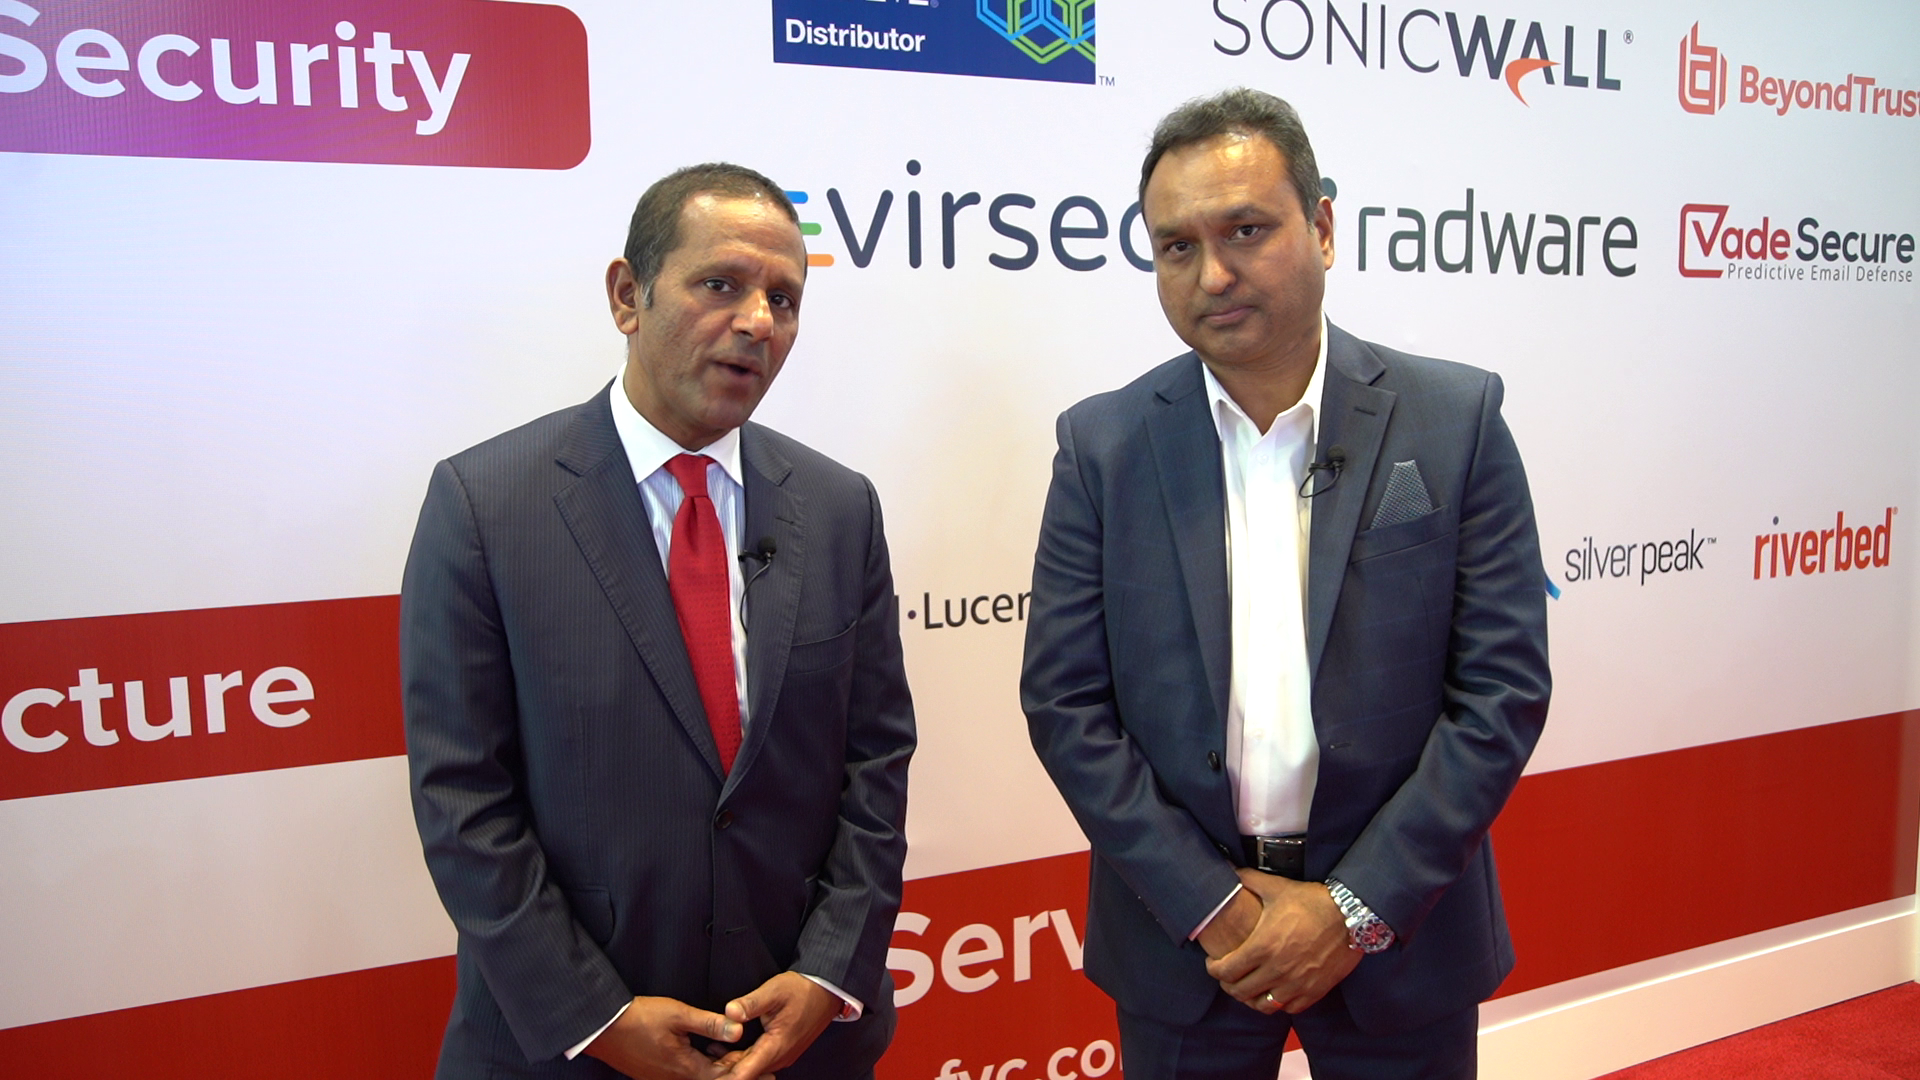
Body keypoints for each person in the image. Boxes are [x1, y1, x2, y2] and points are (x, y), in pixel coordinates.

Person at [1020, 89, 1551, 1079]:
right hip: (1186, 944)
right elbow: (1066, 706)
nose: (1213, 274)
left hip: (1403, 933)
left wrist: (1353, 909)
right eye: (1176, 247)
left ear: (1323, 227)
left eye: (1247, 231)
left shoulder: (1456, 418)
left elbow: (1501, 692)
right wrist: (1213, 906)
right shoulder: (1103, 446)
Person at [402, 163, 915, 1080]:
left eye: (784, 299)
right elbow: (463, 798)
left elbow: (875, 762)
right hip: (569, 1052)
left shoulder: (841, 508)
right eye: (720, 284)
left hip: (795, 1044)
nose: (758, 322)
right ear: (627, 296)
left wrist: (828, 974)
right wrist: (595, 1017)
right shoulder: (485, 504)